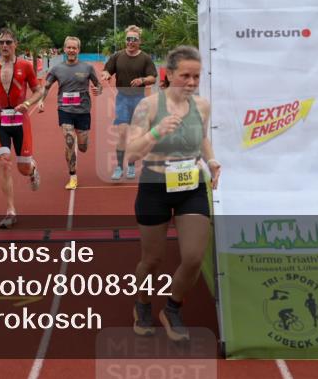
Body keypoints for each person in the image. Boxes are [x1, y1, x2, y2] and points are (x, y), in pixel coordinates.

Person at [124, 46, 221, 342]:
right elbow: (130, 154)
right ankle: (141, 304)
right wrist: (156, 132)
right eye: (185, 76)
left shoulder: (202, 106)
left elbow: (202, 138)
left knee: (192, 256)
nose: (191, 83)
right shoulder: (149, 107)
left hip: (190, 185)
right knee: (152, 259)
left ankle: (172, 308)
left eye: (196, 77)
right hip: (155, 184)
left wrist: (211, 160)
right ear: (169, 75)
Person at [0, 28, 45, 229]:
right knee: (4, 162)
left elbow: (39, 90)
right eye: (1, 42)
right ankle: (10, 211)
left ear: (15, 45)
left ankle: (32, 169)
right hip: (0, 118)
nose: (5, 46)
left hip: (21, 119)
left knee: (23, 168)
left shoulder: (25, 66)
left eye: (8, 42)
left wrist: (28, 104)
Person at [39, 36, 102, 190]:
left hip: (83, 111)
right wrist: (41, 100)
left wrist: (97, 90)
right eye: (69, 47)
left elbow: (99, 85)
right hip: (65, 110)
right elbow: (46, 86)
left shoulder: (87, 68)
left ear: (78, 50)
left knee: (82, 147)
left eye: (74, 48)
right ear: (65, 49)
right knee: (68, 142)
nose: (71, 50)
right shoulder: (57, 69)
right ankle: (73, 176)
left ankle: (81, 145)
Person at [100, 26, 158, 181]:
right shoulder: (117, 56)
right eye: (128, 39)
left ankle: (131, 164)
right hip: (122, 98)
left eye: (134, 39)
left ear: (140, 41)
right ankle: (119, 167)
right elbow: (107, 70)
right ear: (125, 40)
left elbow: (153, 77)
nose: (131, 42)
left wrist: (142, 80)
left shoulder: (145, 58)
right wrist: (105, 74)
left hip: (139, 99)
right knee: (122, 133)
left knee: (135, 135)